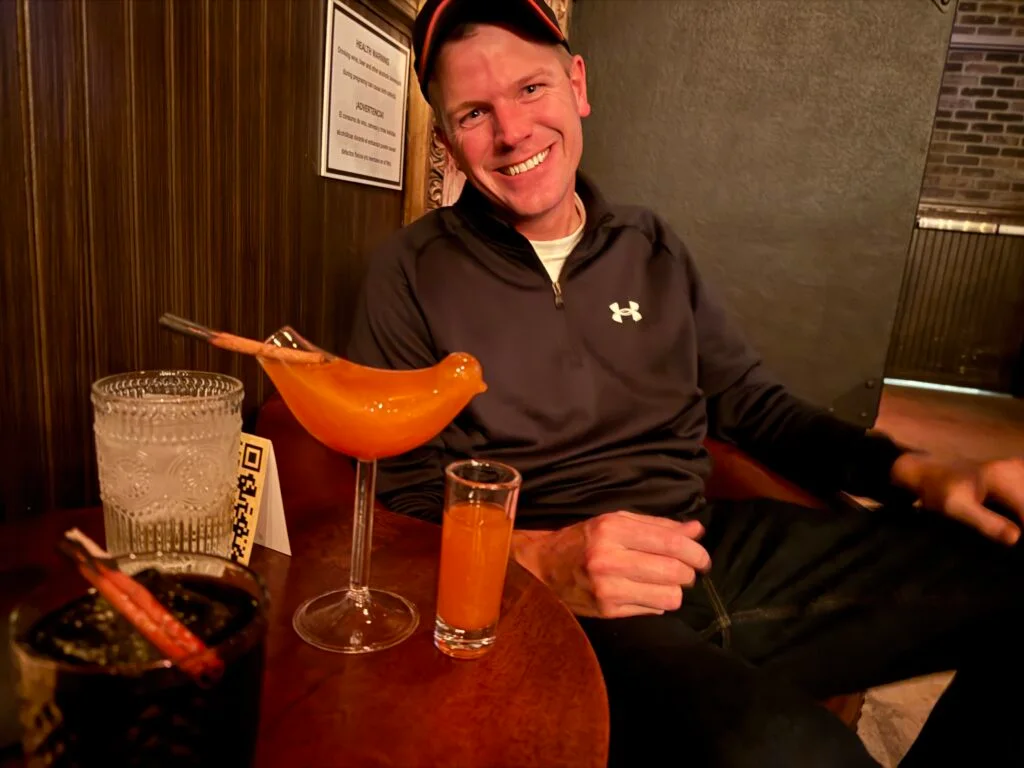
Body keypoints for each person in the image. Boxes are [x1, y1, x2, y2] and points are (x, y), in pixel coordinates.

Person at [347, 1, 1024, 765]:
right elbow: (395, 500)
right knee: (793, 752)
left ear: (578, 84)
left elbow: (754, 405)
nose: (512, 132)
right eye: (475, 112)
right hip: (570, 602)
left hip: (712, 548)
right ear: (444, 140)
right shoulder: (407, 271)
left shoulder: (651, 243)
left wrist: (914, 471)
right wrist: (543, 558)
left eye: (531, 89)